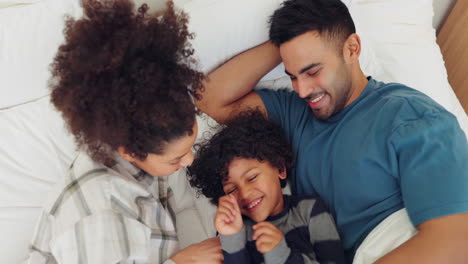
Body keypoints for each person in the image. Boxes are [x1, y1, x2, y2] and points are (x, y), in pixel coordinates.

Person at [196, 0, 468, 263]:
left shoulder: (412, 117)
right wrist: (286, 40)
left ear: (352, 48)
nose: (302, 89)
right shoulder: (295, 114)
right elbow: (210, 99)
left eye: (312, 70)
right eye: (292, 75)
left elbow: (454, 242)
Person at [26, 0, 222, 263]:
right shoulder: (100, 216)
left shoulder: (135, 143)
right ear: (130, 152)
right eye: (175, 159)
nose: (189, 161)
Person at [187, 110, 346, 264]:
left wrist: (282, 256)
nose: (244, 193)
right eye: (231, 190)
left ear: (280, 169)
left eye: (252, 178)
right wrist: (231, 238)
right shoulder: (233, 229)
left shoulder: (309, 211)